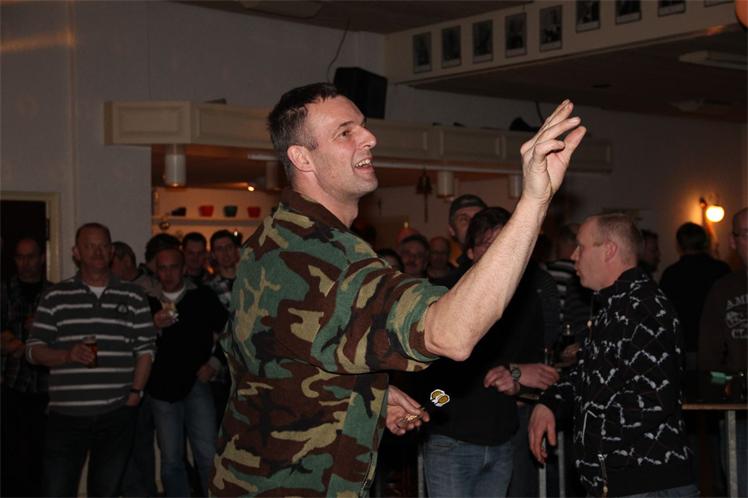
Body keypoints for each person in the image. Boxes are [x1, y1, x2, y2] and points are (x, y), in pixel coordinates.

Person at [210, 82, 586, 496]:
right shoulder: (325, 255)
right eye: (345, 132)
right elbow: (451, 335)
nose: (369, 137)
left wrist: (364, 396)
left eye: (363, 126)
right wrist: (534, 201)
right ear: (302, 157)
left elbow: (270, 359)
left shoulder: (273, 236)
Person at [529, 214, 696, 498]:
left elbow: (653, 397)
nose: (573, 255)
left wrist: (587, 434)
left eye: (581, 247)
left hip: (647, 483)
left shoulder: (643, 306)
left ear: (608, 250)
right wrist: (551, 401)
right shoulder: (614, 306)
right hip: (625, 481)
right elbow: (589, 376)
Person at [419, 207, 559, 497]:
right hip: (450, 440)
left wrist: (516, 379)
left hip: (501, 440)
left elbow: (536, 371)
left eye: (504, 243)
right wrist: (511, 371)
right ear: (470, 252)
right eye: (487, 244)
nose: (498, 251)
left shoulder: (525, 298)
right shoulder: (444, 292)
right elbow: (432, 372)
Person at [26, 222, 156, 497]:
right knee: (56, 491)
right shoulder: (55, 296)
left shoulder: (133, 295)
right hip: (66, 416)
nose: (97, 252)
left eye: (103, 246)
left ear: (111, 252)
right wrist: (67, 355)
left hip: (117, 414)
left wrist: (135, 393)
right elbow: (33, 350)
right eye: (90, 246)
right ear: (76, 252)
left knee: (106, 492)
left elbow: (146, 349)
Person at [148, 247, 227, 497]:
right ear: (156, 271)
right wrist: (152, 326)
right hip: (161, 387)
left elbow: (229, 331)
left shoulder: (202, 296)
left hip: (197, 383)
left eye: (173, 267)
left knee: (207, 455)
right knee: (171, 460)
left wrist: (214, 363)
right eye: (162, 268)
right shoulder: (147, 300)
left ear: (183, 269)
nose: (168, 273)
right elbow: (132, 341)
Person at [698, 207, 747, 497]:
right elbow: (709, 354)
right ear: (733, 241)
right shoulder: (724, 289)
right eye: (747, 235)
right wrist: (723, 388)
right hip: (739, 412)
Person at [0, 237, 53, 497]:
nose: (25, 263)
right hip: (12, 384)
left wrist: (43, 330)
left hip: (46, 387)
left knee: (43, 454)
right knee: (11, 455)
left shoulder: (54, 293)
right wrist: (11, 343)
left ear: (42, 258)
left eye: (31, 256)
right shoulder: (4, 291)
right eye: (20, 257)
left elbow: (66, 336)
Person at [660, 222, 730, 368]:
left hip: (685, 343)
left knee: (690, 381)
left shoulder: (671, 274)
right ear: (705, 242)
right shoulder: (721, 270)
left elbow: (663, 314)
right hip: (719, 342)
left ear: (679, 245)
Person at [433, 194, 487, 287]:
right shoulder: (447, 286)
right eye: (463, 219)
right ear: (452, 230)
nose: (472, 224)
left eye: (478, 218)